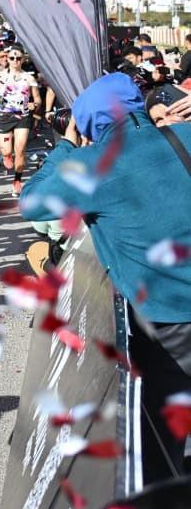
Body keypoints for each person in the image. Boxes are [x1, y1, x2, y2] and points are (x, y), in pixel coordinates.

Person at [21, 73, 191, 479]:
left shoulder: (92, 166)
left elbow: (32, 203)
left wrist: (66, 144)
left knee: (160, 441)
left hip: (168, 317)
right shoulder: (181, 133)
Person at [0, 47, 40, 196]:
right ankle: (5, 154)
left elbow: (37, 99)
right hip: (4, 116)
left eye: (18, 58)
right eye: (12, 58)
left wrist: (34, 104)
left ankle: (17, 180)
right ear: (7, 59)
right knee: (7, 150)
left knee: (21, 149)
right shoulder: (0, 76)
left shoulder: (29, 78)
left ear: (23, 60)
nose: (15, 61)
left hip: (22, 116)